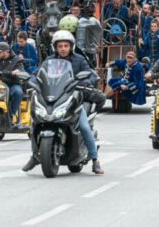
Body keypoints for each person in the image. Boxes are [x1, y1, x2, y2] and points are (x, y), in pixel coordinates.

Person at [22, 30, 105, 175]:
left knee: (84, 127)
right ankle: (35, 156)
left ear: (71, 46)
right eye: (60, 46)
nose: (63, 49)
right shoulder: (48, 61)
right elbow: (38, 73)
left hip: (73, 98)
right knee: (34, 124)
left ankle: (95, 160)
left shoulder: (79, 60)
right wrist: (32, 80)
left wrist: (84, 81)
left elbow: (91, 75)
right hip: (53, 97)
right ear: (55, 47)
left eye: (66, 46)